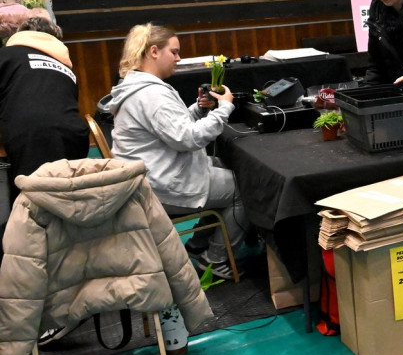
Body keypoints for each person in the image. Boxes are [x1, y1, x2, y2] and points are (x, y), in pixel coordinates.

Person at [107, 24, 249, 279]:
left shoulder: (137, 85)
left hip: (151, 176)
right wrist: (224, 108)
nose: (179, 58)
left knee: (224, 166)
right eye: (174, 52)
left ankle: (198, 245)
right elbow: (188, 138)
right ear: (153, 51)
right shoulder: (152, 94)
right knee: (247, 187)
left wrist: (197, 108)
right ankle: (214, 260)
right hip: (162, 185)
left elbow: (170, 127)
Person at [0, 16, 90, 205]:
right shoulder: (68, 70)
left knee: (29, 204)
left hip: (29, 133)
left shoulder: (7, 55)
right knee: (66, 200)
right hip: (75, 135)